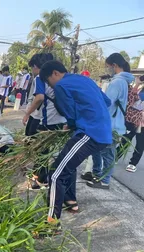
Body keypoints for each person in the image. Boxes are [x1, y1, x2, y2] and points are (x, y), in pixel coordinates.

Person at [39, 60, 112, 224]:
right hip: (102, 131)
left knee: (56, 175)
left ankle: (52, 224)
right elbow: (107, 102)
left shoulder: (61, 86)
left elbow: (70, 114)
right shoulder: (85, 79)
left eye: (48, 82)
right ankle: (69, 202)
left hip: (89, 133)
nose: (51, 86)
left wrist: (72, 123)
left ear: (55, 73)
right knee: (65, 168)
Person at [85, 53, 134, 189]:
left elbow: (107, 103)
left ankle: (104, 180)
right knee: (99, 150)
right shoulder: (123, 81)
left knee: (107, 153)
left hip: (111, 124)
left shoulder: (117, 82)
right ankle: (98, 175)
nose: (108, 70)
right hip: (114, 122)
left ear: (114, 65)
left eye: (108, 67)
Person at [22, 53, 67, 190]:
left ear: (36, 66)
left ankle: (40, 180)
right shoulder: (61, 77)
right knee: (46, 150)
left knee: (40, 149)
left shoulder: (40, 77)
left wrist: (27, 113)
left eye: (32, 68)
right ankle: (43, 177)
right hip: (62, 118)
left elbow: (40, 97)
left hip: (47, 118)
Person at [117, 77, 144, 172]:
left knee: (140, 145)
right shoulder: (140, 90)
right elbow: (132, 98)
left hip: (142, 124)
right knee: (125, 140)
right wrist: (137, 83)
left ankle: (133, 163)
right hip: (132, 120)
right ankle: (116, 157)